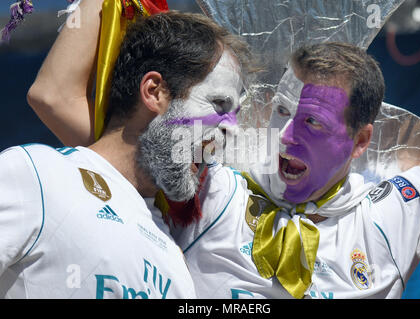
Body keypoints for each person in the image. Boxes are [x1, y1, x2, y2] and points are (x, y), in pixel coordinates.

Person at [1, 0, 251, 298]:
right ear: (154, 92)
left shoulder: (177, 263)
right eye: (219, 104)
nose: (231, 128)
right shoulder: (36, 175)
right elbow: (53, 95)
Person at [163, 42, 420, 299]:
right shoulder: (215, 190)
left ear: (359, 141)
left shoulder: (386, 222)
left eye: (312, 121)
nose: (285, 135)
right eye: (282, 111)